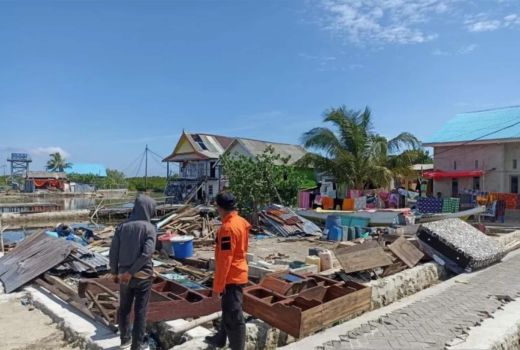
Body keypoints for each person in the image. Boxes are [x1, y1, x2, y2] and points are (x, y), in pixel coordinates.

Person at [109, 194, 157, 350]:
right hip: (142, 276)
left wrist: (115, 272)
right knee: (140, 311)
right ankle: (137, 345)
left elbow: (113, 252)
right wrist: (132, 271)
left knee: (124, 308)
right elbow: (147, 254)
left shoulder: (122, 227)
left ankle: (124, 340)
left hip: (124, 276)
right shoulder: (149, 228)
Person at [205, 192, 250, 350]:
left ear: (220, 207)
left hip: (232, 276)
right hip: (239, 271)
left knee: (234, 316)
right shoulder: (241, 222)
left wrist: (216, 289)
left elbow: (225, 261)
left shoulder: (227, 228)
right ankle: (220, 338)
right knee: (228, 309)